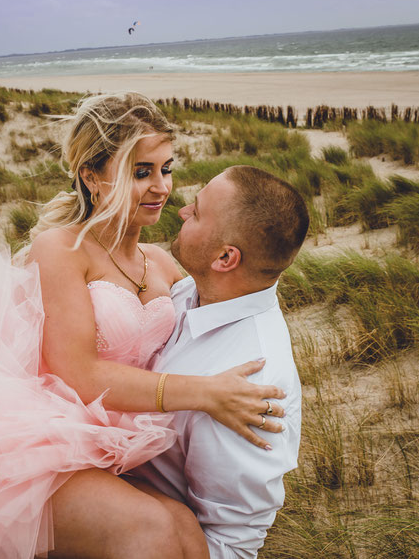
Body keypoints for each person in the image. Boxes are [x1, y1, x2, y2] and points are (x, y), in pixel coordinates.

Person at [0, 92, 288, 559]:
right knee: (155, 532)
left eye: (166, 168)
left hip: (133, 446)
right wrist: (206, 393)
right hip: (54, 440)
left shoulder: (161, 263)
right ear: (92, 176)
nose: (162, 187)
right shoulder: (61, 250)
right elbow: (79, 373)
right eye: (140, 172)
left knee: (184, 530)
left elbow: (225, 297)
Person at [133, 166, 308, 558]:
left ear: (226, 257)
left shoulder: (251, 383)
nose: (180, 212)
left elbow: (232, 542)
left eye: (195, 213)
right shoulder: (190, 292)